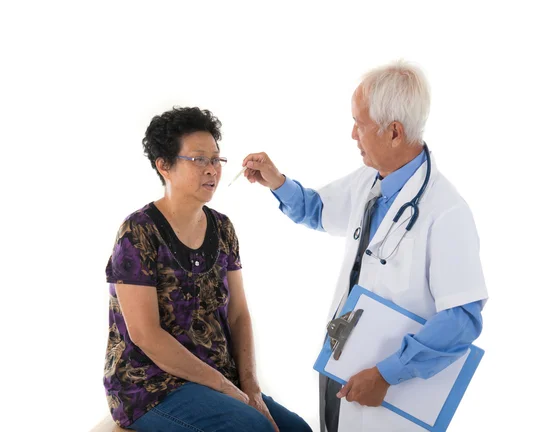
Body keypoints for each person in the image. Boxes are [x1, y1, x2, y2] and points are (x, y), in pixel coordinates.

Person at [241, 59, 489, 432]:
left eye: (359, 123)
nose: (352, 134)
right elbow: (317, 209)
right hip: (340, 365)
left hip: (391, 390)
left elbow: (461, 319)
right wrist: (277, 182)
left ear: (393, 132)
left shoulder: (447, 212)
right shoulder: (369, 181)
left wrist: (387, 374)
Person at [103, 106, 312, 432]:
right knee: (251, 428)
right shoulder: (138, 231)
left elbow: (238, 314)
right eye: (199, 159)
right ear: (164, 166)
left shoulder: (223, 228)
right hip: (150, 385)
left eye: (216, 159)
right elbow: (146, 335)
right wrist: (228, 389)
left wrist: (251, 387)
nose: (212, 169)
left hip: (216, 378)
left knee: (297, 429)